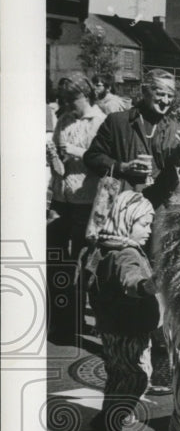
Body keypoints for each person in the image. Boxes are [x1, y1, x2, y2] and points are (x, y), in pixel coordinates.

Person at [85, 191, 159, 431]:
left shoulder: (104, 247)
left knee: (117, 373)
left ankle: (108, 415)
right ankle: (110, 421)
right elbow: (131, 281)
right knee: (137, 376)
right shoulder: (127, 254)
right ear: (127, 220)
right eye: (144, 224)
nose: (149, 230)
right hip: (130, 328)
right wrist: (148, 286)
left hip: (111, 326)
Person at [48, 73, 107, 338]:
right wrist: (53, 157)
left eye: (73, 99)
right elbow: (60, 167)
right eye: (65, 100)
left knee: (83, 260)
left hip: (86, 199)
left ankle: (80, 318)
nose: (69, 105)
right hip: (62, 197)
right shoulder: (63, 120)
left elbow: (103, 161)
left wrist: (74, 151)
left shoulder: (100, 122)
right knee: (58, 259)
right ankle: (64, 317)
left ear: (85, 94)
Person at [84, 68, 180, 210]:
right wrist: (122, 167)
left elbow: (175, 165)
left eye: (170, 96)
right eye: (160, 94)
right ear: (144, 91)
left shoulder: (175, 129)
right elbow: (92, 157)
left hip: (157, 207)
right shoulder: (117, 122)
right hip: (121, 205)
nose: (165, 101)